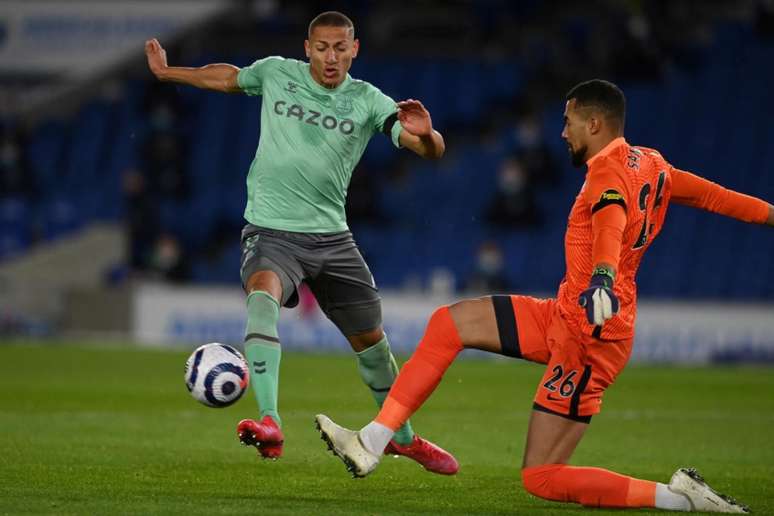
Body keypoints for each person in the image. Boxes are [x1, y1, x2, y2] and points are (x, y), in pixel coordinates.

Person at [316, 79, 773, 512]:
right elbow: (716, 197)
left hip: (591, 338)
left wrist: (602, 276)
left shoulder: (605, 177)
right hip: (565, 315)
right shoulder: (651, 163)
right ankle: (372, 442)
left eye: (569, 121)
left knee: (542, 477)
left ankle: (680, 498)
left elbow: (611, 220)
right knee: (449, 323)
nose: (563, 132)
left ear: (594, 124)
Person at [144, 11, 458, 474]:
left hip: (333, 239)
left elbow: (427, 150)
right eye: (322, 47)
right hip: (271, 230)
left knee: (372, 342)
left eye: (340, 48)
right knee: (262, 292)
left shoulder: (369, 100)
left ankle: (401, 438)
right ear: (307, 48)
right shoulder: (276, 73)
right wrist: (170, 72)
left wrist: (428, 133)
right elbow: (227, 77)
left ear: (355, 50)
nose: (331, 57)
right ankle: (270, 419)